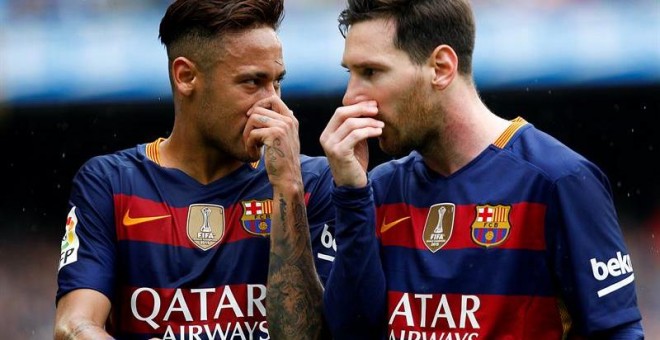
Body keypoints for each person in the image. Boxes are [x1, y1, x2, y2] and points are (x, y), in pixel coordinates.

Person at [320, 0, 645, 339]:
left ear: (441, 67)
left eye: (370, 72)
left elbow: (618, 331)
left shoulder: (557, 181)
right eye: (350, 74)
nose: (349, 98)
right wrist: (352, 197)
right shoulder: (379, 190)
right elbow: (350, 333)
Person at [53, 0, 336, 339]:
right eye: (252, 83)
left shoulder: (312, 183)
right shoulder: (110, 184)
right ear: (186, 77)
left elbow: (305, 336)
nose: (275, 104)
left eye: (276, 82)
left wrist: (288, 187)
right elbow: (74, 327)